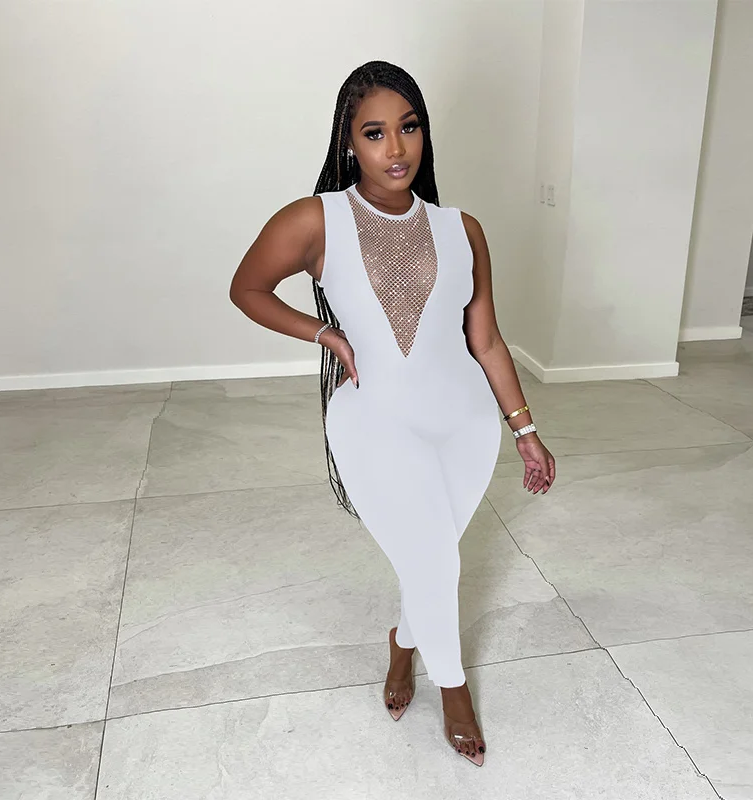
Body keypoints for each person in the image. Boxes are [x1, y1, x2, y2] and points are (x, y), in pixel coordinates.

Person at [230, 60, 556, 767]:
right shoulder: (315, 219)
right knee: (437, 559)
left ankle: (403, 643)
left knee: (431, 554)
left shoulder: (462, 228)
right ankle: (455, 691)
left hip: (464, 423)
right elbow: (246, 288)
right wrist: (324, 333)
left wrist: (525, 431)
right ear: (349, 142)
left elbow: (486, 341)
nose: (396, 148)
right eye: (374, 133)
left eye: (409, 128)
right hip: (374, 421)